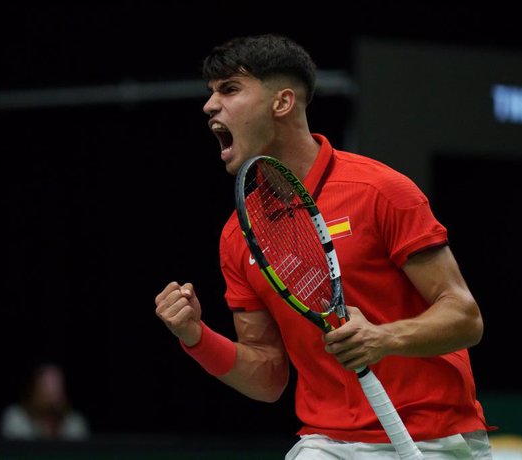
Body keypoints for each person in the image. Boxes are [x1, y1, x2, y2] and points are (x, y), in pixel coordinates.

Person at [154, 34, 493, 459]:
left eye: (230, 89)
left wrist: (382, 338)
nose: (210, 106)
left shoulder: (379, 191)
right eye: (211, 93)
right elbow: (268, 377)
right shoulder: (240, 236)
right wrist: (195, 337)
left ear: (282, 103)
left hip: (436, 438)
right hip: (330, 443)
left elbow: (465, 317)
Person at [0, 363, 90, 441]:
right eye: (46, 386)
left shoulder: (75, 422)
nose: (52, 394)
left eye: (57, 388)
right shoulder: (16, 417)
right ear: (34, 389)